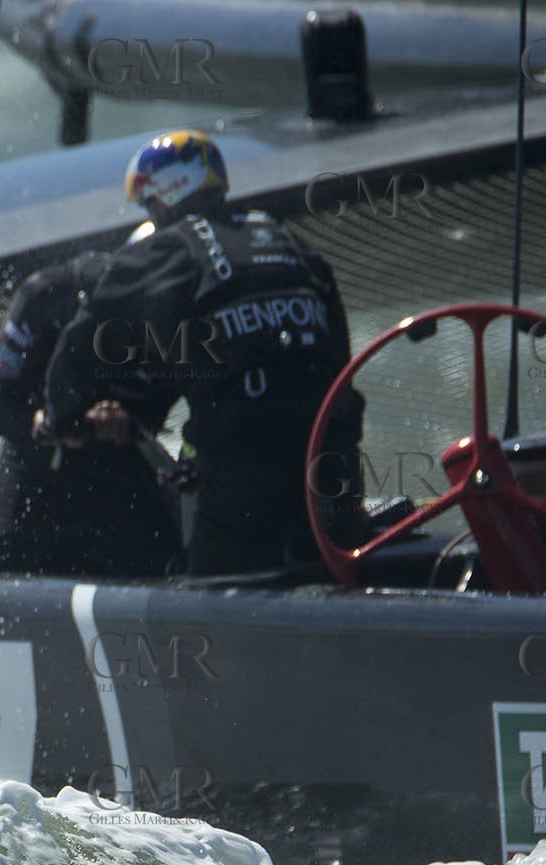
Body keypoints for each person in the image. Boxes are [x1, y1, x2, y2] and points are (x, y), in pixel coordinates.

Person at [42, 130, 364, 575]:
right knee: (340, 568)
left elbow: (78, 350)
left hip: (245, 472)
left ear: (163, 198)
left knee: (213, 598)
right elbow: (340, 358)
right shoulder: (291, 243)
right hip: (333, 461)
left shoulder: (161, 252)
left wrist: (64, 419)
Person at [0, 245, 180, 576]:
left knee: (163, 558)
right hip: (36, 470)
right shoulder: (43, 295)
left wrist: (126, 418)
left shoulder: (165, 305)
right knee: (8, 571)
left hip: (116, 467)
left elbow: (168, 394)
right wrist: (44, 423)